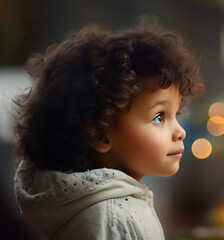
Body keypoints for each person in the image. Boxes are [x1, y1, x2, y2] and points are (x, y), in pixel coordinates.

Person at [12, 15, 204, 239]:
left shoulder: (118, 206)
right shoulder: (111, 219)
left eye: (176, 114)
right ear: (100, 135)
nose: (180, 131)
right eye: (159, 117)